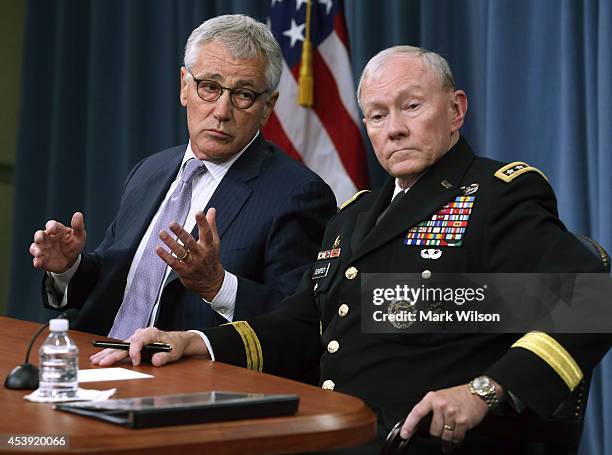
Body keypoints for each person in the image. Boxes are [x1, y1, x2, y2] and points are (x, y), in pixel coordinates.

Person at [91, 46, 611, 453]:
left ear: (456, 111)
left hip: (423, 440)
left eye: (411, 107)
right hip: (333, 429)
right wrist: (197, 343)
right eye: (377, 116)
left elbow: (589, 302)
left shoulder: (496, 194)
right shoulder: (354, 215)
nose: (395, 129)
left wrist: (484, 390)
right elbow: (303, 323)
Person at [29, 15, 336, 338]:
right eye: (210, 87)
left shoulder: (298, 194)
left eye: (243, 94)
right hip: (97, 358)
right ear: (184, 87)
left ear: (267, 106)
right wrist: (67, 267)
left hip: (186, 377)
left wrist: (217, 286)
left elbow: (298, 325)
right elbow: (111, 284)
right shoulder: (150, 171)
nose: (221, 111)